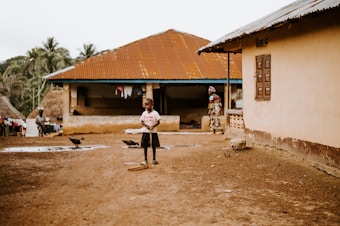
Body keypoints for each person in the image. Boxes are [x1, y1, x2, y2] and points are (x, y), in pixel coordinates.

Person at [140, 98, 161, 165]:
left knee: (154, 145)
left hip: (153, 132)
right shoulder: (144, 113)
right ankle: (145, 159)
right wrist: (147, 126)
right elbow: (142, 122)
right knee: (145, 145)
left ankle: (154, 159)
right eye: (145, 105)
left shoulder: (155, 113)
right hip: (146, 132)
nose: (146, 106)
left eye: (148, 104)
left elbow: (158, 122)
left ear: (152, 104)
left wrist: (153, 126)